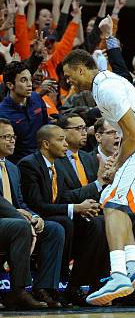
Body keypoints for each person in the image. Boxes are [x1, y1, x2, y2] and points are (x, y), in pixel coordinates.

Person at [62, 43, 135, 306]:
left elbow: (134, 135)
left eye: (69, 75)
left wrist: (117, 165)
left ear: (81, 69)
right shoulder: (107, 82)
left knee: (111, 203)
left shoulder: (106, 89)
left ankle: (118, 273)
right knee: (119, 203)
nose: (68, 81)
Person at [17, 125, 106, 306]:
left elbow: (64, 196)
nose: (66, 144)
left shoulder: (58, 165)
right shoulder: (29, 164)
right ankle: (47, 287)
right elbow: (37, 204)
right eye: (60, 140)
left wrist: (84, 207)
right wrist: (74, 208)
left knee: (97, 224)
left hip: (58, 216)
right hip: (38, 218)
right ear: (46, 144)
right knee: (63, 223)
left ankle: (77, 284)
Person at [0, 118, 64, 308]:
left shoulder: (12, 167)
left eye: (13, 136)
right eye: (6, 137)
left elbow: (20, 202)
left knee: (54, 229)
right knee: (20, 226)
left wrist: (34, 217)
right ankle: (18, 291)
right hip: (9, 222)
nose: (12, 141)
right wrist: (21, 216)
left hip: (15, 221)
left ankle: (44, 288)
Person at [0, 61, 48, 163]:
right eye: (23, 80)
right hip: (20, 165)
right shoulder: (2, 113)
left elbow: (46, 127)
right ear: (10, 85)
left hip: (43, 159)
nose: (29, 84)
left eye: (30, 79)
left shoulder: (36, 98)